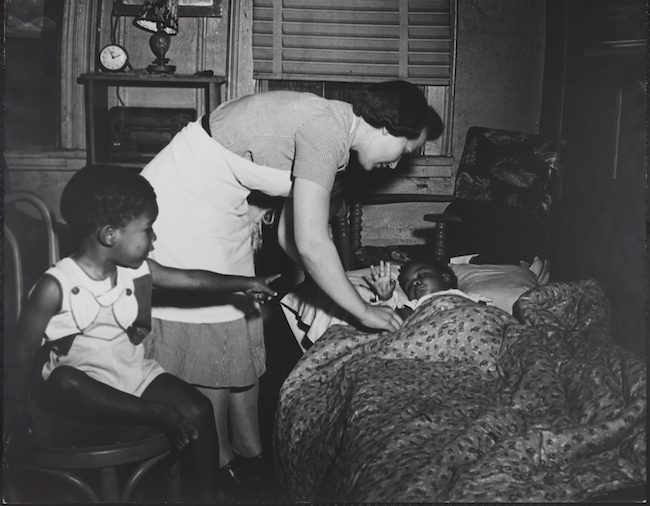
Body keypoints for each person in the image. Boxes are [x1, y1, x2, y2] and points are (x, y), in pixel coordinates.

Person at [139, 80, 444, 493]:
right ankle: (220, 458)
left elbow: (287, 234)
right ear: (389, 128)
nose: (398, 164)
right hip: (184, 200)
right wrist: (363, 310)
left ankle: (250, 448)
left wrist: (328, 280)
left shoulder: (334, 130)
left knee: (242, 317)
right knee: (216, 329)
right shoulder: (327, 132)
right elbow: (311, 242)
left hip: (223, 203)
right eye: (405, 151)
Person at [6, 165, 280, 502]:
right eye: (147, 230)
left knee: (198, 408)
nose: (153, 240)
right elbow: (19, 352)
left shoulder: (134, 270)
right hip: (79, 385)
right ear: (110, 235)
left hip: (129, 372)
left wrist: (244, 283)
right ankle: (156, 413)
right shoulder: (55, 286)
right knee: (65, 380)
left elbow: (192, 279)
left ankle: (208, 498)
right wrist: (15, 413)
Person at [365, 259, 490, 319]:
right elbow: (395, 318)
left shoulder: (468, 297)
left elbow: (487, 313)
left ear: (445, 278)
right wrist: (386, 297)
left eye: (422, 275)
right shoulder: (414, 305)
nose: (415, 282)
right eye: (409, 286)